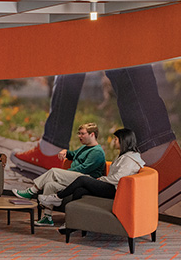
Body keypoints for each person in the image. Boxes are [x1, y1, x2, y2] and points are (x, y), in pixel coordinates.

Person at [10, 67, 181, 210]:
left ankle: (158, 152)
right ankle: (50, 149)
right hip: (102, 182)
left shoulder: (107, 154)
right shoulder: (107, 154)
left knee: (117, 46)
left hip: (105, 185)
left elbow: (109, 177)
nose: (115, 142)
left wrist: (98, 180)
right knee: (74, 53)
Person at [37, 128, 146, 228]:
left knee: (83, 179)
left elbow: (118, 178)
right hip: (111, 186)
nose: (114, 141)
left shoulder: (129, 159)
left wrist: (102, 179)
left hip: (114, 190)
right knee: (80, 190)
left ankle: (57, 197)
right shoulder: (124, 156)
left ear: (124, 141)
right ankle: (72, 222)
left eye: (116, 139)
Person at [12, 122, 107, 210]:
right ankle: (47, 218)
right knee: (50, 185)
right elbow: (73, 154)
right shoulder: (85, 147)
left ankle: (32, 191)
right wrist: (65, 151)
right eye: (79, 133)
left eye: (82, 134)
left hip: (84, 179)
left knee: (53, 171)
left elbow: (84, 169)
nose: (79, 136)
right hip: (75, 176)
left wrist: (65, 173)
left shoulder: (97, 152)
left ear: (92, 135)